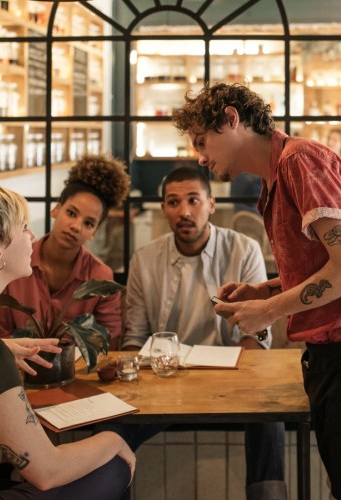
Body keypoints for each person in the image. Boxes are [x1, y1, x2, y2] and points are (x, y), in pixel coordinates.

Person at [172, 82, 341, 500]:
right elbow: (324, 267)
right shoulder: (276, 179)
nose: (200, 156)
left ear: (232, 119)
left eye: (202, 141)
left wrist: (268, 311)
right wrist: (262, 290)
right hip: (338, 354)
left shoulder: (301, 160)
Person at [0, 183, 135, 499]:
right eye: (24, 228)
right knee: (114, 465)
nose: (32, 237)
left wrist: (0, 347)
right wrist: (114, 440)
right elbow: (46, 471)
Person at [118, 166, 286, 500]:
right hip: (162, 384)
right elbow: (134, 339)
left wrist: (238, 380)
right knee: (110, 432)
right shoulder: (144, 261)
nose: (184, 211)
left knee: (270, 418)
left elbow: (256, 335)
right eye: (173, 202)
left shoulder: (243, 249)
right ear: (163, 208)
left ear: (210, 204)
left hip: (231, 379)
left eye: (193, 200)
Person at [0, 154, 131, 349]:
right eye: (71, 213)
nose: (76, 226)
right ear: (56, 210)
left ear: (94, 232)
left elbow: (109, 341)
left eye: (88, 223)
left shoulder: (99, 276)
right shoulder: (13, 262)